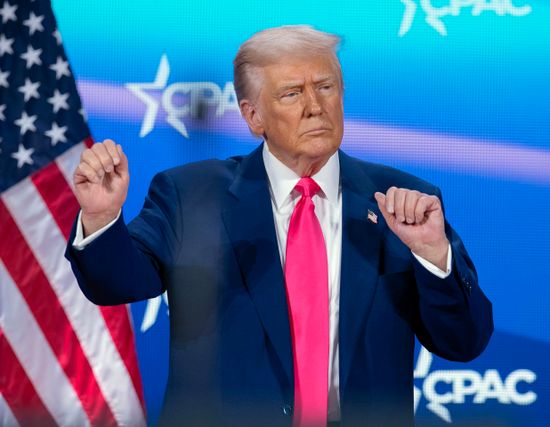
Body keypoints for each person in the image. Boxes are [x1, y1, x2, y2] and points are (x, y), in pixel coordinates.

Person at [65, 25, 493, 427]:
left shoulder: (402, 200)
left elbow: (463, 341)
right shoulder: (191, 195)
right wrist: (102, 218)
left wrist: (433, 254)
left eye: (325, 87)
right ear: (253, 116)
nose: (314, 106)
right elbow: (117, 284)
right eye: (292, 93)